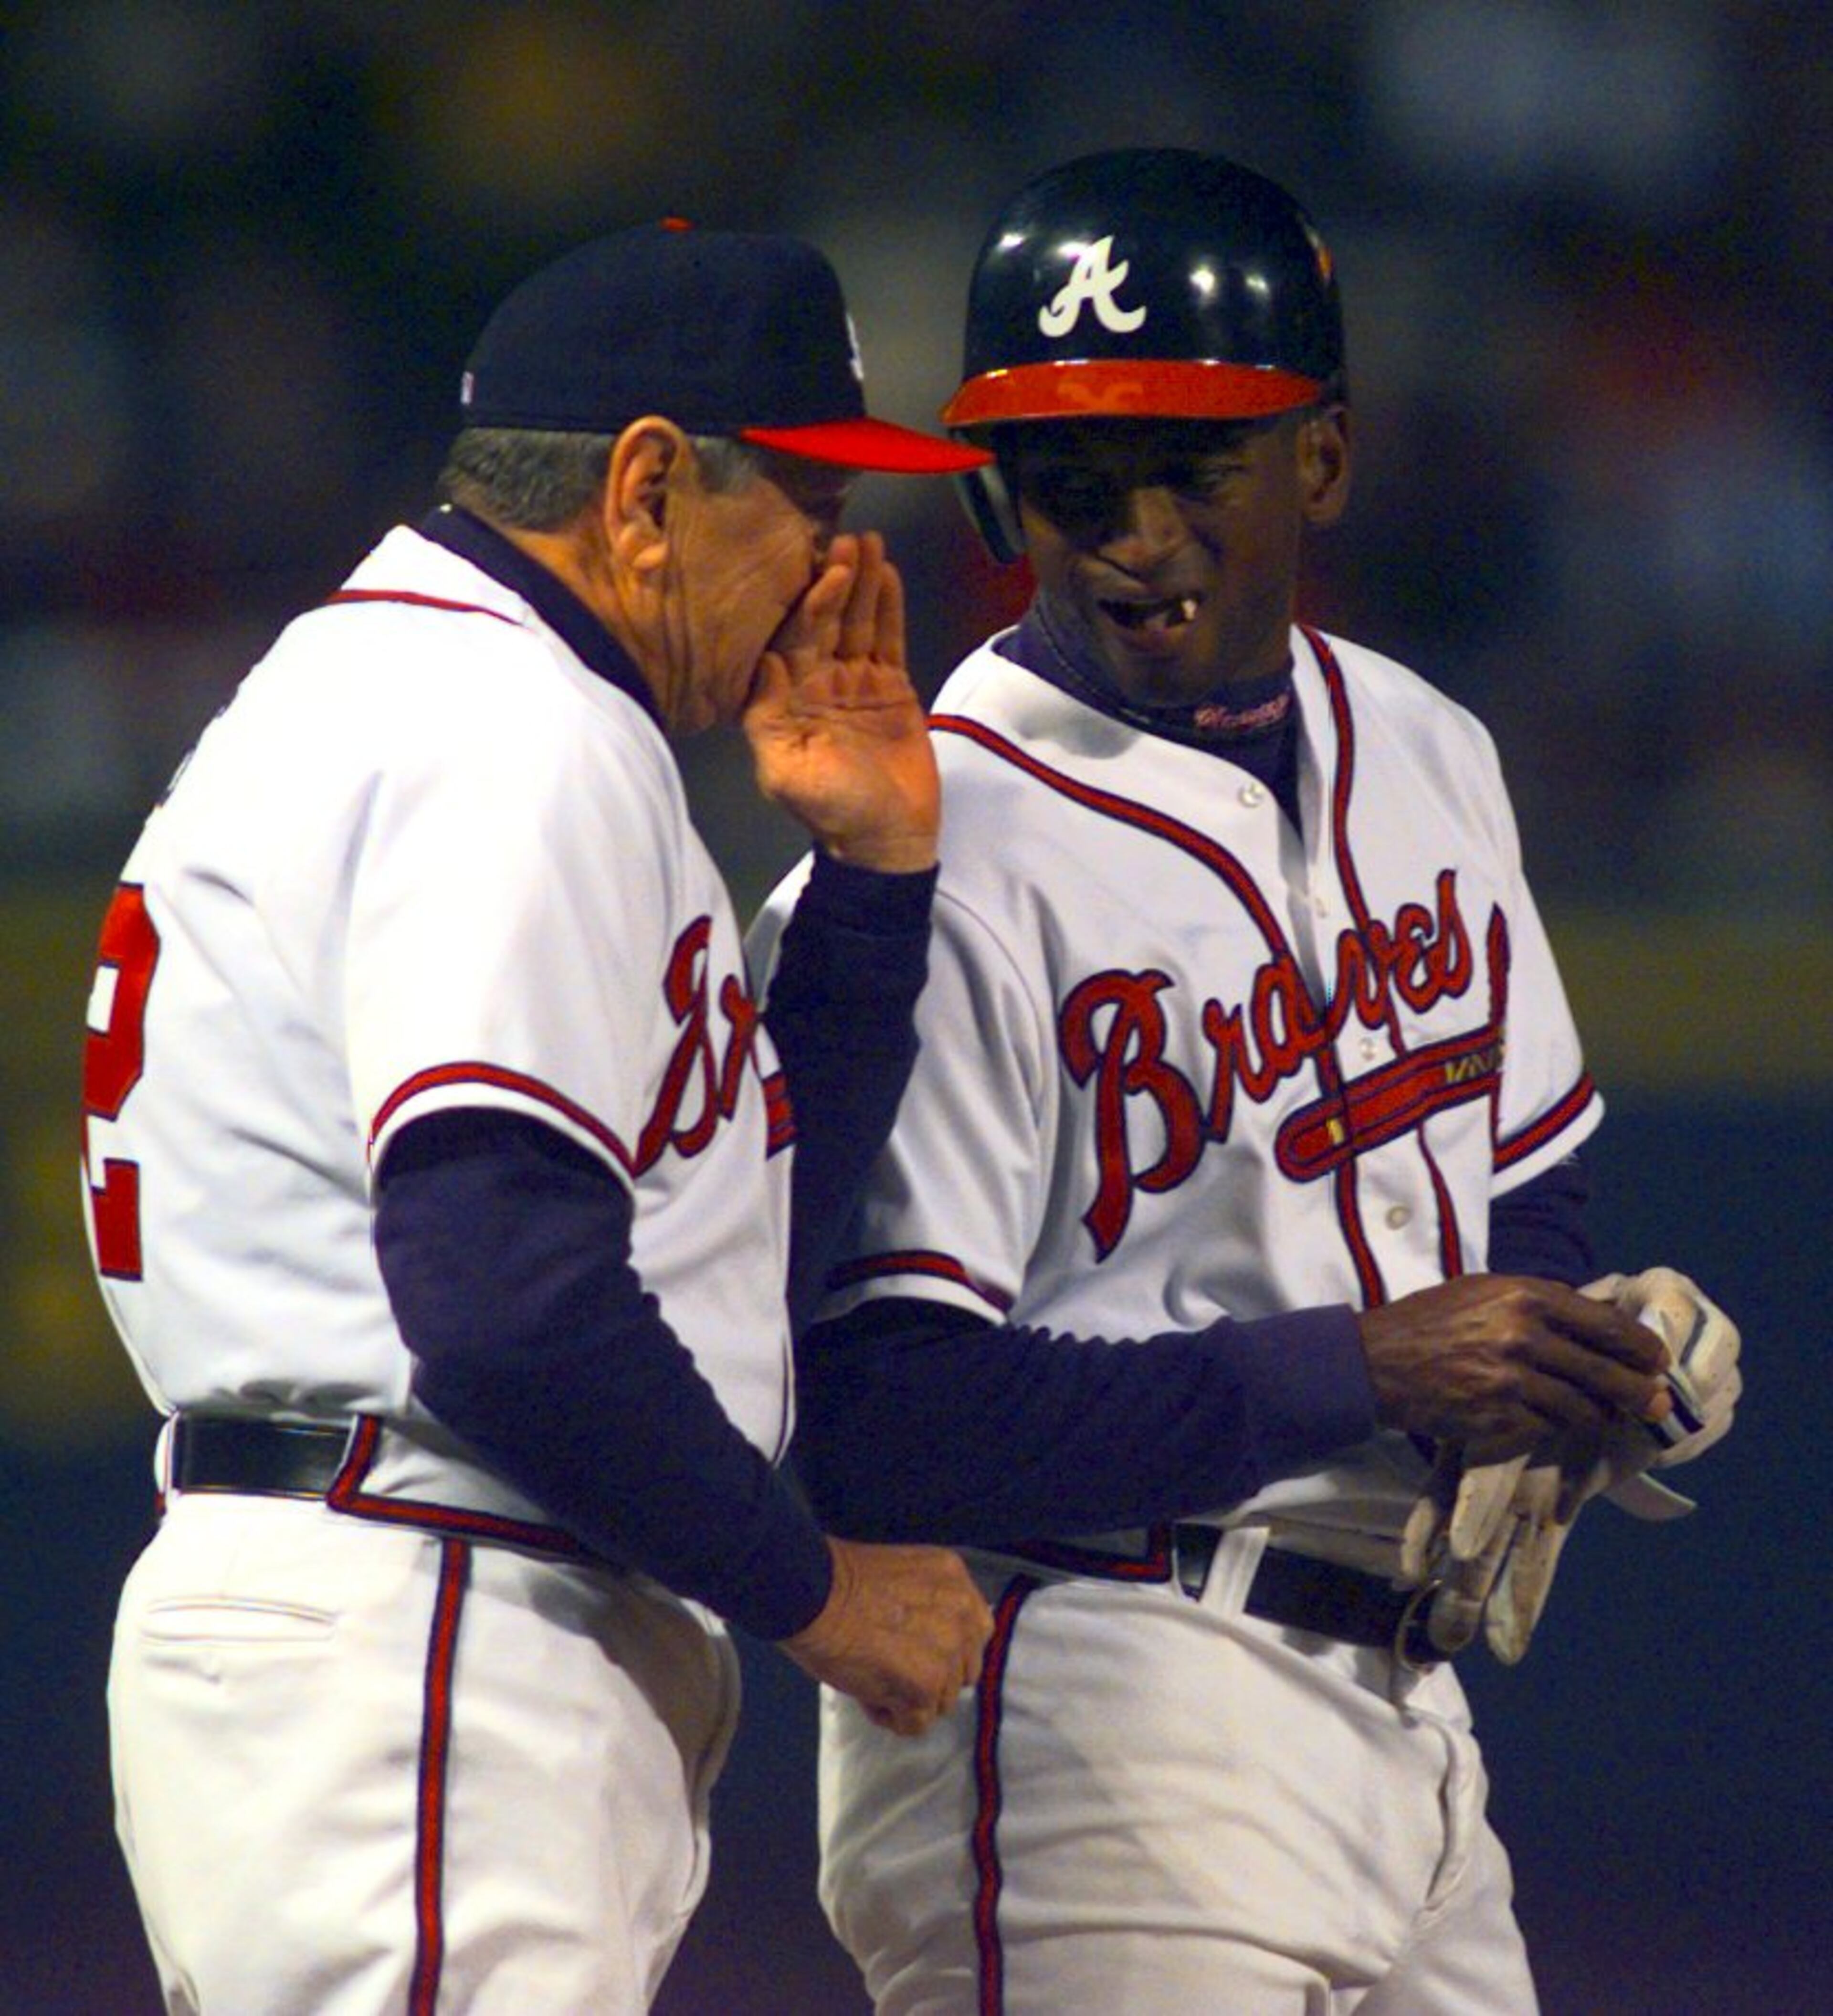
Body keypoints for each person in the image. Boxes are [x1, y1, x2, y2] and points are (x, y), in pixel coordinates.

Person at [753, 149, 1740, 2012]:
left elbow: (1517, 1186)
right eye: (1071, 479)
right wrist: (1372, 1365)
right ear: (987, 487)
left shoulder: (1429, 749)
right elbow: (867, 1418)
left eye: (1197, 465)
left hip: (1412, 1720)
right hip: (1087, 1713)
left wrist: (1573, 1361)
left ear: (1328, 459)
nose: (1135, 533)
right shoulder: (916, 855)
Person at [80, 219, 996, 2013]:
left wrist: (870, 884)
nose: (837, 568)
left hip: (399, 1613)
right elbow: (509, 1308)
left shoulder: (436, 691)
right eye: (807, 500)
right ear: (647, 489)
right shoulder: (505, 733)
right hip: (420, 1611)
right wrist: (814, 1590)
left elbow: (706, 1242)